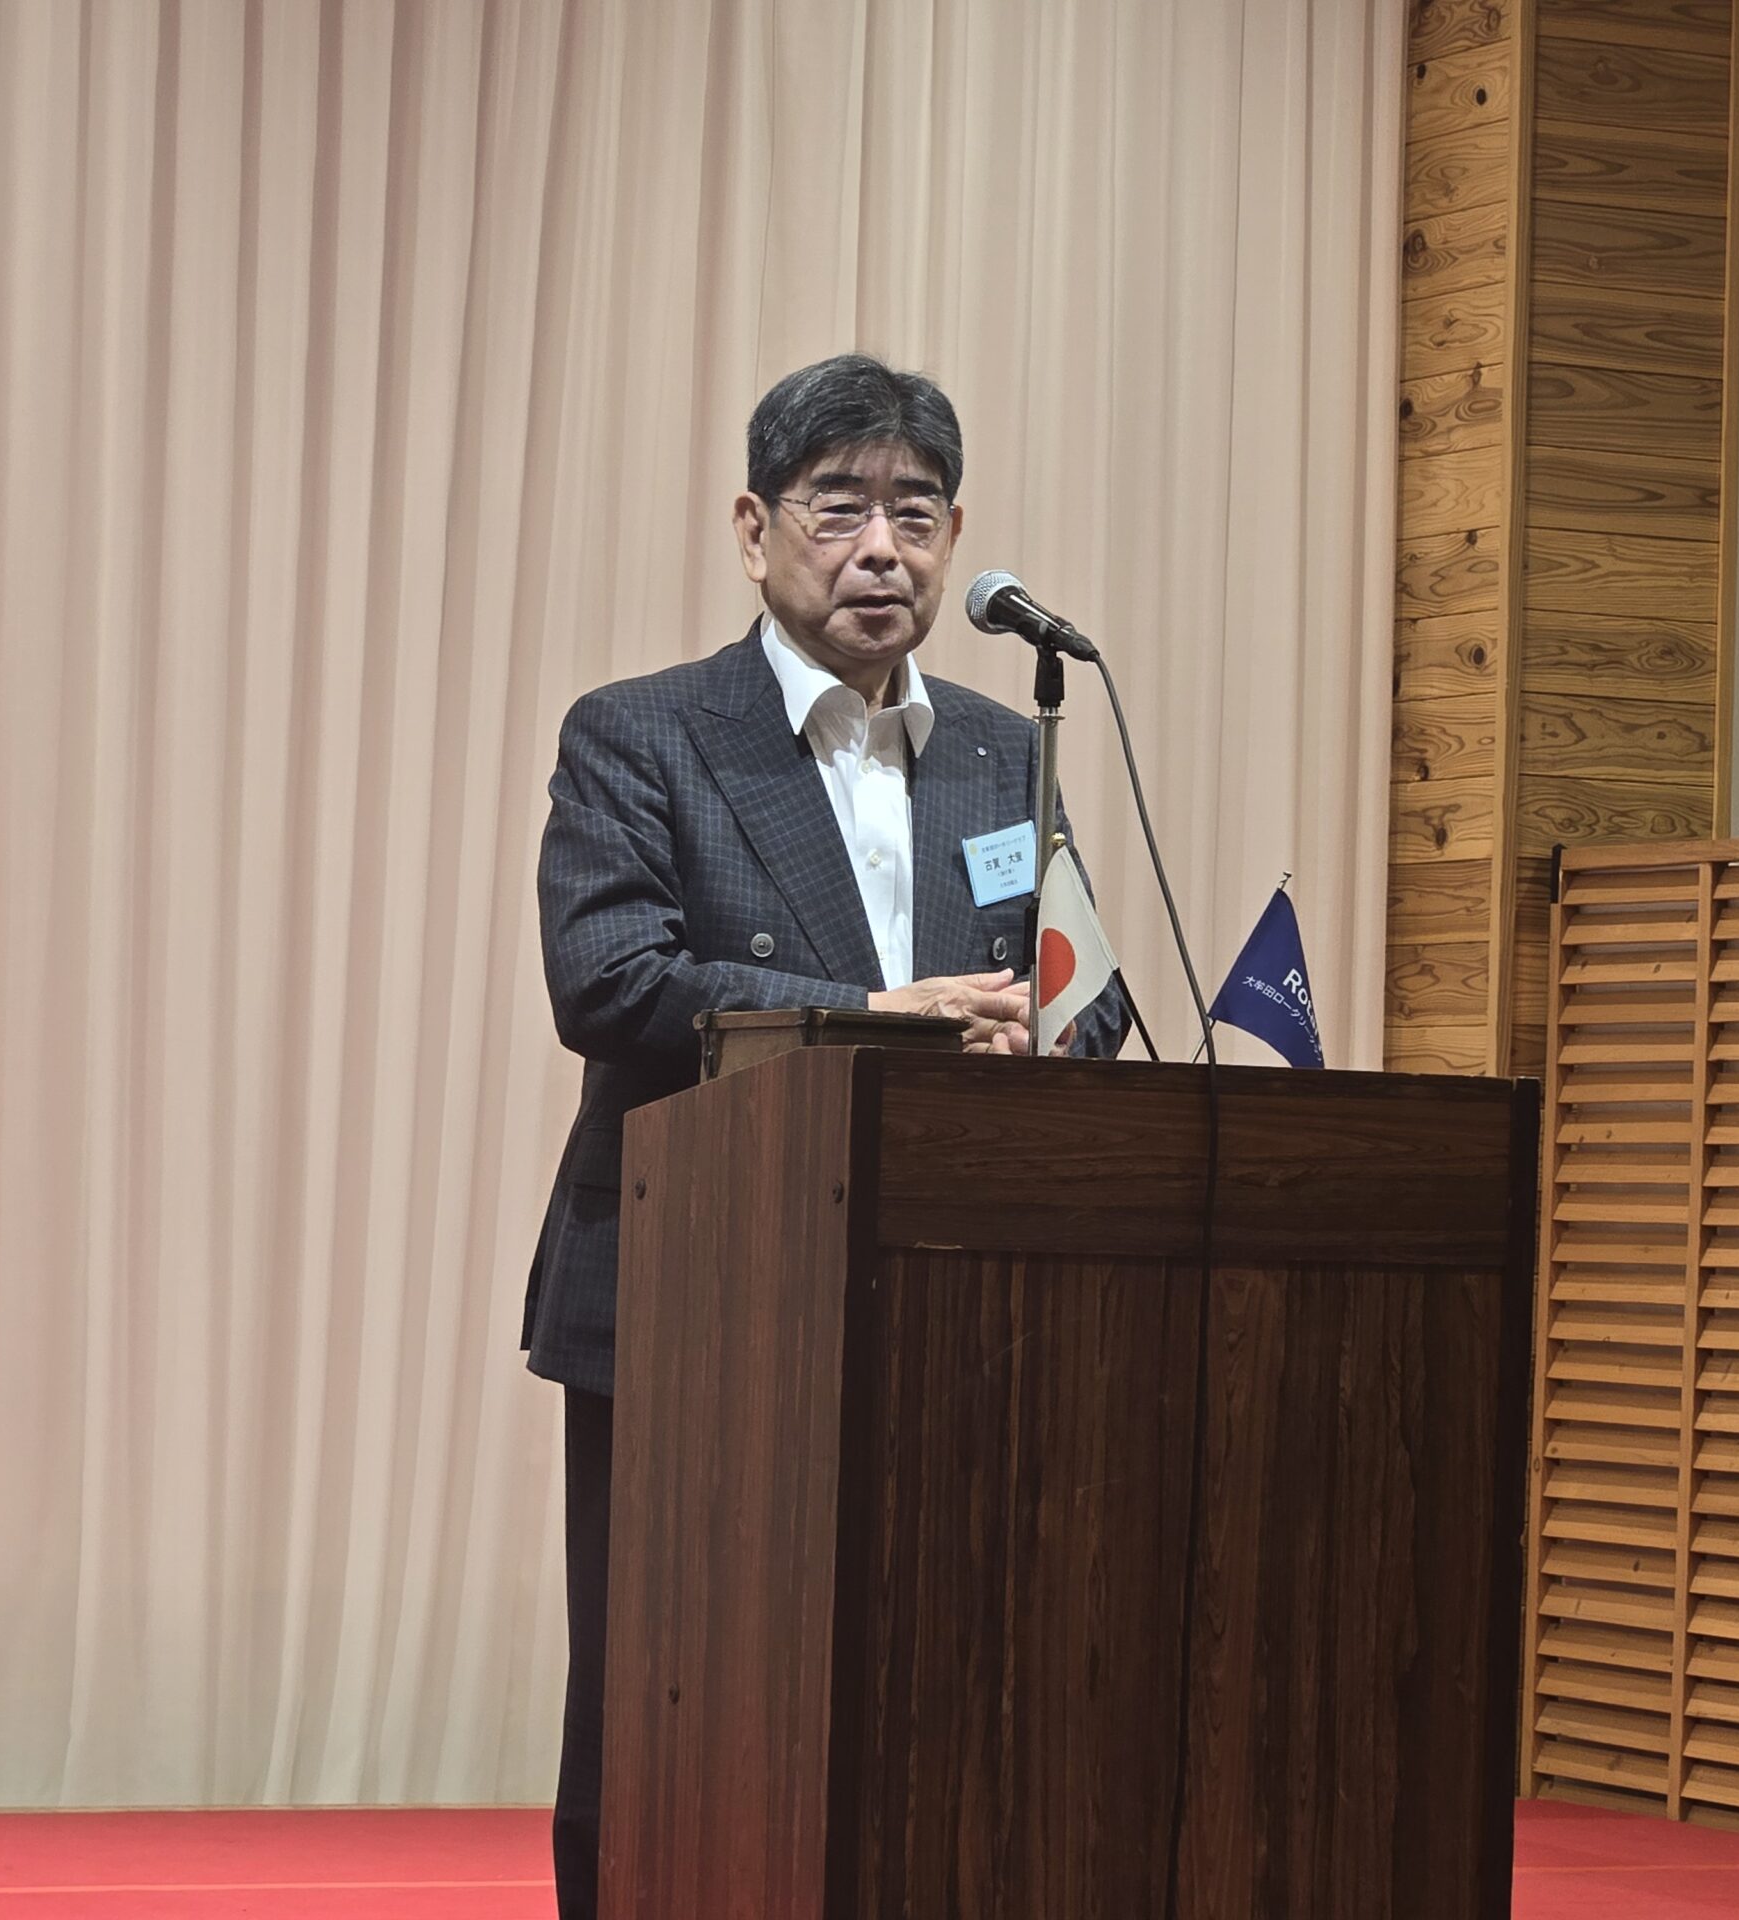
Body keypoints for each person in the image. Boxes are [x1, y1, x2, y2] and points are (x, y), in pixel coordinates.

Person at [523, 352, 1130, 1918]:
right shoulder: (647, 734)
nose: (881, 549)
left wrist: (1051, 1028)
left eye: (916, 515)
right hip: (694, 1293)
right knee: (665, 1704)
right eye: (838, 508)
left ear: (955, 538)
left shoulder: (1003, 749)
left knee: (927, 1687)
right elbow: (612, 983)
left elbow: (1083, 992)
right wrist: (885, 1015)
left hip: (945, 1301)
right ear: (755, 530)